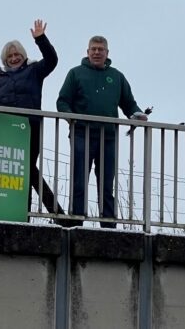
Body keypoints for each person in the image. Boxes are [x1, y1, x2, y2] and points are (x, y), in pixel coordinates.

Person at [57, 36, 148, 228]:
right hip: (82, 133)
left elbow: (129, 103)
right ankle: (76, 222)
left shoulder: (117, 76)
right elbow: (62, 101)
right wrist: (70, 116)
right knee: (79, 181)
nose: (97, 52)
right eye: (93, 49)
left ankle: (108, 225)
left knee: (107, 183)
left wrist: (137, 114)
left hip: (108, 136)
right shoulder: (76, 73)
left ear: (107, 53)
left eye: (101, 49)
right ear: (87, 52)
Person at [0, 19, 66, 219]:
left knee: (26, 169)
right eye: (10, 56)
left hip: (30, 129)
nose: (14, 58)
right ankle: (31, 214)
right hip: (7, 133)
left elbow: (52, 60)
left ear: (23, 56)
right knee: (18, 173)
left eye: (17, 54)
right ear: (5, 59)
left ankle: (38, 214)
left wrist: (40, 39)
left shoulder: (34, 71)